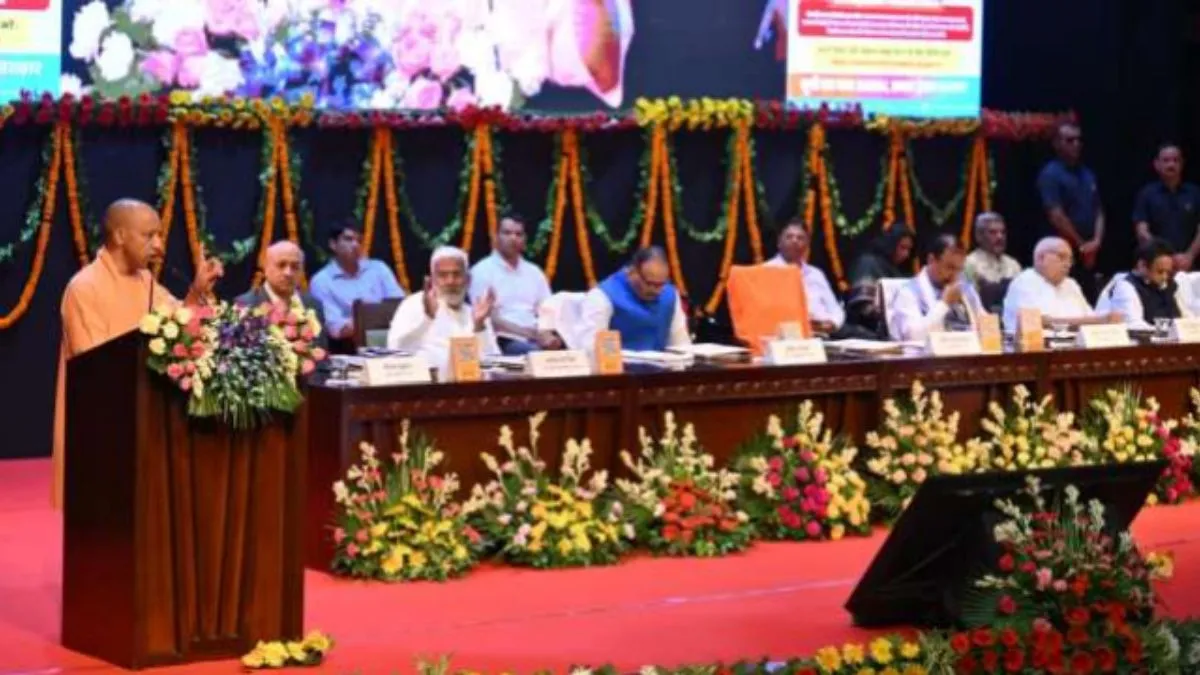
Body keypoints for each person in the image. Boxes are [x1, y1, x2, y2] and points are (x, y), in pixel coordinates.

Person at [54, 198, 223, 508]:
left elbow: (178, 322)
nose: (159, 245)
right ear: (120, 236)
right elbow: (92, 364)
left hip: (146, 418)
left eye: (159, 235)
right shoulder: (84, 287)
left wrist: (198, 290)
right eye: (149, 235)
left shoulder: (145, 281)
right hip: (101, 422)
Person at [386, 246, 500, 368]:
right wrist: (427, 319)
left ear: (468, 280)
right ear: (432, 280)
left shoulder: (476, 313)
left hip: (471, 379)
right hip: (426, 379)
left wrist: (479, 327)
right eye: (443, 275)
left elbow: (495, 363)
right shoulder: (413, 304)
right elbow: (395, 351)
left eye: (457, 274)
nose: (450, 281)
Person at [469, 214, 561, 355]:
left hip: (535, 337)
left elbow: (547, 311)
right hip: (502, 340)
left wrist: (546, 334)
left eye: (518, 234)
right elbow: (488, 319)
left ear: (525, 239)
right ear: (496, 237)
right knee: (536, 354)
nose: (513, 238)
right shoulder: (482, 271)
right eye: (507, 233)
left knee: (570, 354)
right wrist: (529, 333)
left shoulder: (534, 272)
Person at [1036, 122, 1104, 301]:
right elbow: (1056, 215)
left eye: (1078, 140)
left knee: (1089, 299)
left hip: (1091, 252)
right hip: (1062, 253)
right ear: (1056, 144)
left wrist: (1096, 241)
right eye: (1069, 140)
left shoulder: (1088, 173)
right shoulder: (1050, 174)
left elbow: (1098, 210)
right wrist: (1081, 246)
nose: (1076, 144)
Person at [309, 221, 405, 343]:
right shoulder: (321, 281)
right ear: (333, 244)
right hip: (348, 346)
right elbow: (335, 329)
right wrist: (376, 317)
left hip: (390, 337)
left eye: (359, 241)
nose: (355, 245)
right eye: (348, 239)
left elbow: (399, 307)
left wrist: (365, 318)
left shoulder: (379, 268)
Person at [581, 246, 691, 351]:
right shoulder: (603, 296)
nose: (656, 291)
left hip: (663, 363)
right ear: (632, 272)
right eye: (649, 284)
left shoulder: (670, 294)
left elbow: (680, 343)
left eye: (661, 284)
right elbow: (591, 347)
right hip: (620, 362)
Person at [1002, 237, 1119, 332]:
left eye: (1070, 260)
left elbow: (1090, 318)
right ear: (1041, 258)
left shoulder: (1071, 284)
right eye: (1062, 257)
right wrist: (1098, 321)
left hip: (1075, 346)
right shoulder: (1024, 282)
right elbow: (1040, 322)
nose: (1068, 264)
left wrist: (1106, 320)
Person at [889, 234, 984, 342]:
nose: (955, 275)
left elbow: (984, 325)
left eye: (959, 269)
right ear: (931, 260)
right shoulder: (908, 292)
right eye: (950, 267)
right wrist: (944, 304)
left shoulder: (965, 288)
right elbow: (914, 337)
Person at [235, 241, 327, 349]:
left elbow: (322, 352)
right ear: (265, 267)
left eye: (295, 267)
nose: (288, 273)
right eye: (281, 265)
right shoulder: (246, 305)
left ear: (302, 270)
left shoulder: (313, 305)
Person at [764, 220, 844, 336]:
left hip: (826, 332)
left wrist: (833, 323)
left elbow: (835, 309)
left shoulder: (815, 274)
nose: (795, 241)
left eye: (800, 238)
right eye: (789, 237)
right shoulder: (766, 271)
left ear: (807, 244)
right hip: (789, 334)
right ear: (779, 242)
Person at [1132, 144, 1200, 271]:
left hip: (1190, 265)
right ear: (1156, 164)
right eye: (1166, 160)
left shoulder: (1195, 193)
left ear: (1182, 164)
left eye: (1176, 160)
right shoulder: (1146, 194)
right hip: (1156, 266)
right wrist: (1165, 256)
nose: (1171, 164)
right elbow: (1141, 231)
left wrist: (1189, 256)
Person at [1096, 238, 1190, 328]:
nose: (1165, 277)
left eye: (1168, 272)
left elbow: (1185, 316)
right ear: (1142, 265)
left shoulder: (1171, 285)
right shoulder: (1126, 287)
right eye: (1160, 272)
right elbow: (1133, 325)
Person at [844, 225, 916, 338]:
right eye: (902, 247)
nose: (906, 254)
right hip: (865, 332)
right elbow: (862, 306)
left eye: (909, 249)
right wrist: (892, 316)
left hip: (895, 330)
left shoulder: (898, 270)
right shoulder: (868, 264)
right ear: (891, 244)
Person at [963, 212, 1021, 312]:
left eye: (1003, 232)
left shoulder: (1013, 264)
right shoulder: (969, 264)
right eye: (993, 232)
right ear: (979, 236)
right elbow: (969, 301)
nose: (1000, 237)